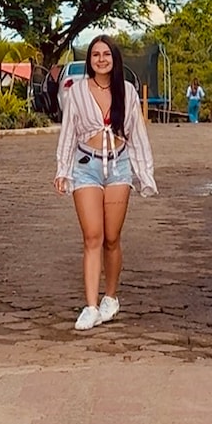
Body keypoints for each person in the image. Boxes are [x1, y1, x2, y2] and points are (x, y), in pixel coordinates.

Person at [55, 34, 157, 333]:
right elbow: (68, 131)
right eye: (95, 55)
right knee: (92, 237)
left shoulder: (127, 90)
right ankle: (90, 306)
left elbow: (137, 134)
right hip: (85, 167)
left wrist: (144, 173)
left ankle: (110, 297)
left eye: (106, 54)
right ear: (90, 60)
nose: (101, 59)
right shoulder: (77, 91)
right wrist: (63, 170)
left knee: (112, 238)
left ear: (114, 59)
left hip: (118, 168)